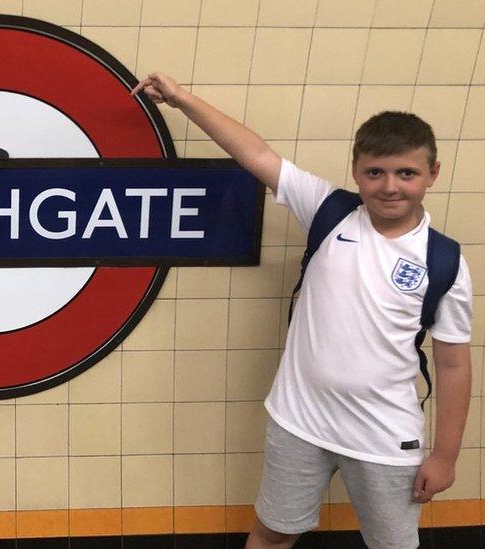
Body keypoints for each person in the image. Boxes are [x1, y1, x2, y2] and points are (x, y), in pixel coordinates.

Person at [132, 73, 472, 549]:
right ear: (356, 171)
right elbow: (256, 155)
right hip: (299, 423)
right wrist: (183, 99)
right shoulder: (329, 212)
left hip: (385, 437)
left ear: (432, 173)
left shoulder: (445, 261)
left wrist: (446, 456)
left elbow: (454, 365)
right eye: (376, 172)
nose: (390, 186)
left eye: (407, 174)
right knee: (272, 533)